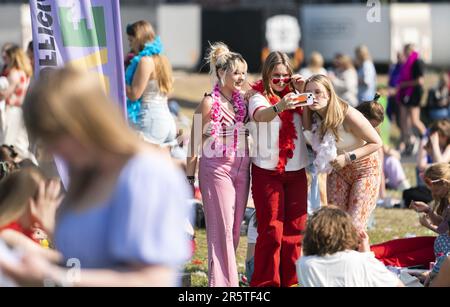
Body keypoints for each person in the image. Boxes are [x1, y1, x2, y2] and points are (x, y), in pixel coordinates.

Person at [0, 67, 191, 287]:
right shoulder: (86, 176)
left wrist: (53, 278)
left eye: (54, 137)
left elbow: (153, 280)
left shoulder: (145, 174)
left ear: (83, 123)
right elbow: (91, 264)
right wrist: (37, 255)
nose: (51, 150)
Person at [186, 42, 250, 287]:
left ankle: (225, 279)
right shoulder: (208, 103)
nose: (242, 77)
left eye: (244, 72)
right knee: (222, 229)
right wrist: (189, 180)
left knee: (234, 231)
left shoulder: (242, 100)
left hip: (242, 171)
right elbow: (192, 143)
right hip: (216, 171)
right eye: (236, 73)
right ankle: (223, 286)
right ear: (222, 74)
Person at [248, 51, 309, 287]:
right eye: (276, 76)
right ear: (267, 75)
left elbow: (312, 120)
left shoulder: (296, 96)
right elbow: (260, 116)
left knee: (295, 231)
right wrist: (280, 106)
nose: (281, 80)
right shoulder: (258, 96)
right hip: (267, 172)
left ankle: (291, 282)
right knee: (272, 231)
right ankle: (266, 284)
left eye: (285, 76)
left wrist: (306, 92)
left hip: (296, 172)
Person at [303, 74, 382, 231]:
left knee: (355, 227)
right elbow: (307, 131)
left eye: (318, 92)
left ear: (329, 93)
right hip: (338, 171)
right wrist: (304, 98)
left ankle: (360, 255)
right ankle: (339, 256)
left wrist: (347, 157)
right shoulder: (315, 114)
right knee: (337, 224)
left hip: (364, 169)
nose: (314, 97)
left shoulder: (348, 114)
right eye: (309, 93)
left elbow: (377, 142)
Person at [296, 206, 403, 287]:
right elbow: (397, 285)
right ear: (346, 232)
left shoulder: (303, 264)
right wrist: (367, 256)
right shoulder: (359, 261)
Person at [125, 20, 177, 147]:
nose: (130, 47)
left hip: (151, 121)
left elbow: (134, 94)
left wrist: (119, 78)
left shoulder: (145, 61)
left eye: (131, 41)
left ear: (138, 39)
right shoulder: (162, 59)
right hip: (167, 121)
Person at [356, 97, 410, 207]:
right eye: (371, 126)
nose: (371, 129)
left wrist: (382, 195)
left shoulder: (374, 133)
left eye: (375, 127)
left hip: (369, 173)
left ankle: (405, 188)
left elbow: (378, 165)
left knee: (392, 161)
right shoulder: (350, 125)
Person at [0, 44, 36, 164]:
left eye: (7, 56)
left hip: (12, 111)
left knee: (9, 145)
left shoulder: (14, 73)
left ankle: (25, 166)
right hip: (20, 110)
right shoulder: (24, 73)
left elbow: (5, 94)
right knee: (19, 144)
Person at [396, 44, 427, 155]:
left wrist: (404, 84)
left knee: (415, 120)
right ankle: (409, 140)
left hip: (414, 93)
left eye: (406, 50)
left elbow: (420, 81)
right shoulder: (407, 63)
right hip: (406, 93)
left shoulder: (417, 61)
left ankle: (426, 137)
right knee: (404, 119)